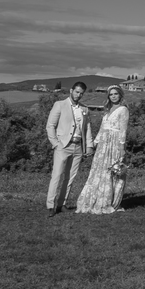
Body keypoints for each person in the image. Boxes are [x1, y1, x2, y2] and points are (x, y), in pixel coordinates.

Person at [75, 85, 130, 214]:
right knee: (99, 170)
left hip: (115, 143)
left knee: (112, 171)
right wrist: (94, 143)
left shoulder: (123, 110)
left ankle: (109, 201)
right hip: (103, 145)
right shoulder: (108, 109)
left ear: (120, 95)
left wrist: (121, 147)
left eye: (116, 94)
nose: (113, 96)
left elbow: (123, 130)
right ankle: (95, 199)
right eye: (111, 94)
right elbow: (102, 128)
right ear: (108, 96)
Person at [45, 81, 92, 217]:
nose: (78, 95)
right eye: (77, 92)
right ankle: (50, 205)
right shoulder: (59, 105)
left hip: (78, 147)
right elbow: (50, 125)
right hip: (63, 146)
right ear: (71, 90)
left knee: (70, 177)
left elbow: (87, 128)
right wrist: (55, 143)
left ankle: (62, 204)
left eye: (81, 93)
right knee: (57, 176)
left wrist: (89, 145)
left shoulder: (84, 109)